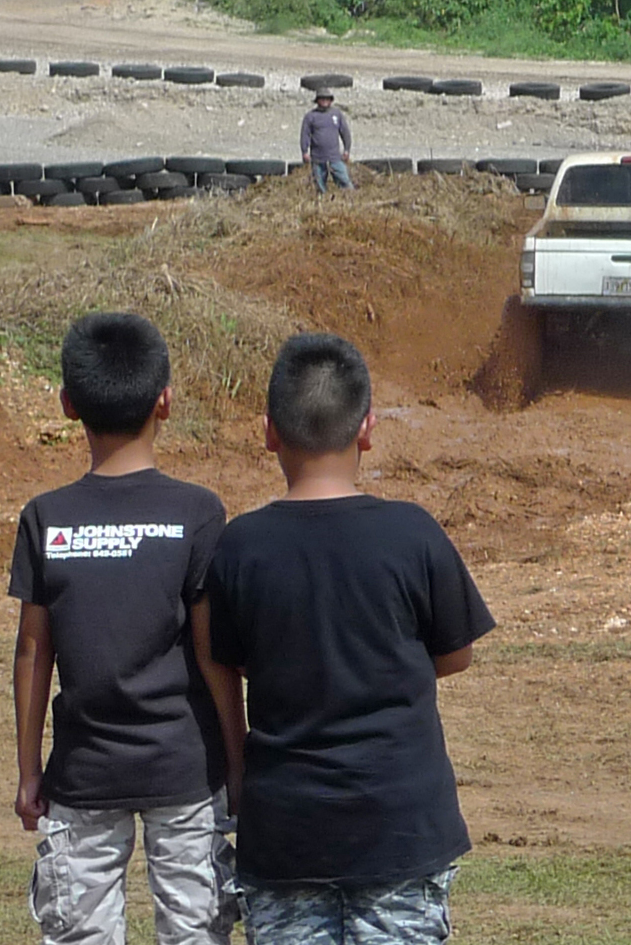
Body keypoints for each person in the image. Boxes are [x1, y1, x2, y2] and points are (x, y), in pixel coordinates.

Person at [206, 333, 493, 944]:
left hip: (284, 833)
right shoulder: (412, 533)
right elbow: (456, 653)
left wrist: (238, 776)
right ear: (367, 428)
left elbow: (222, 665)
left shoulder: (239, 547)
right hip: (402, 827)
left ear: (269, 432)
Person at [8, 312, 236, 945]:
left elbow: (32, 653)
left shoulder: (46, 517)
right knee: (196, 934)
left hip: (82, 774)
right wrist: (238, 764)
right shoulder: (197, 512)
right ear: (164, 402)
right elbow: (215, 656)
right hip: (186, 771)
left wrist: (30, 772)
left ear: (67, 404)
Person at [299, 87, 353, 193]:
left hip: (335, 157)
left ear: (330, 100)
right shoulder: (310, 116)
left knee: (345, 182)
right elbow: (305, 135)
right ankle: (322, 203)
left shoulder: (337, 114)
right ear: (317, 100)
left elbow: (345, 133)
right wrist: (304, 151)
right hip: (318, 158)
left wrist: (347, 149)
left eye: (327, 98)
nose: (324, 101)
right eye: (322, 98)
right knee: (319, 185)